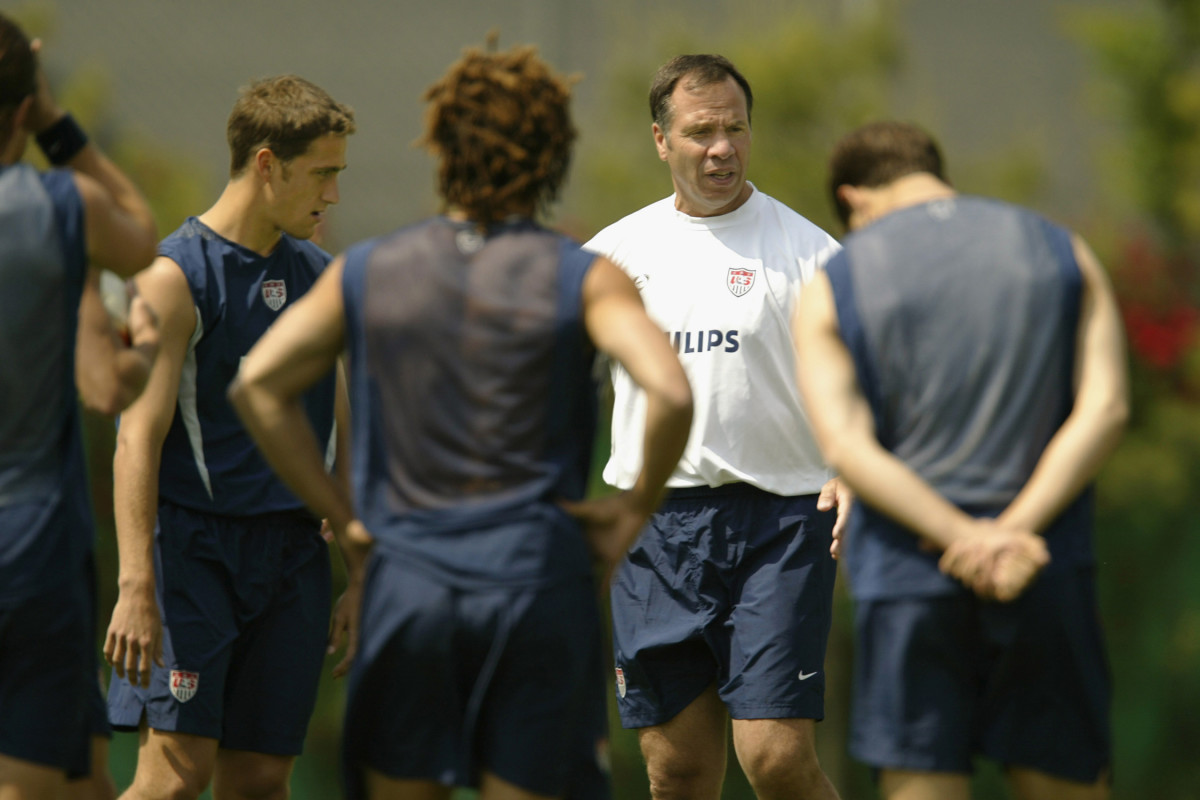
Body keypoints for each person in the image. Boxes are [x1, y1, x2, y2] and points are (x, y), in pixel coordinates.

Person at [229, 43, 693, 800]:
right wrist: (629, 513)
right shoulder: (583, 275)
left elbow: (258, 385)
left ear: (441, 147)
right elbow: (670, 392)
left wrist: (345, 518)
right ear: (552, 155)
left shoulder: (369, 271)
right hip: (535, 584)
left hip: (409, 589)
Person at [793, 120, 1129, 800]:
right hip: (1042, 563)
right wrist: (1011, 532)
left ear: (853, 200)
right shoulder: (1062, 248)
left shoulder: (839, 277)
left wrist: (961, 535)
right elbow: (1106, 409)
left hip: (911, 577)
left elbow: (846, 447)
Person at [585, 53, 847, 799]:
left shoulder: (811, 254)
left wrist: (855, 467)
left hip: (782, 522)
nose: (722, 147)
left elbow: (869, 380)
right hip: (653, 526)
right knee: (677, 769)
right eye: (702, 132)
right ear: (662, 141)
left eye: (735, 129)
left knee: (775, 757)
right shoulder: (612, 256)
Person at [102, 75, 356, 800]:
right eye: (323, 174)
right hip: (192, 556)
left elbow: (338, 428)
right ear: (268, 163)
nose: (333, 194)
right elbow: (135, 440)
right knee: (174, 779)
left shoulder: (319, 277)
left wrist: (360, 574)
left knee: (263, 781)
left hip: (291, 560)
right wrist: (135, 585)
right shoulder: (172, 278)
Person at [0, 14, 159, 800]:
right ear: (24, 107)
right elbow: (140, 229)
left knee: (86, 778)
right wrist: (57, 120)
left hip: (37, 550)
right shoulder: (57, 206)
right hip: (30, 547)